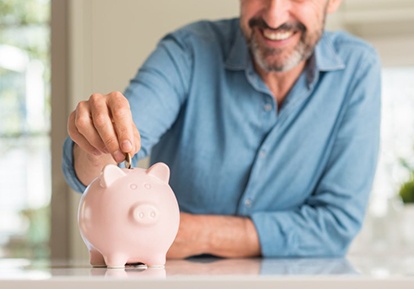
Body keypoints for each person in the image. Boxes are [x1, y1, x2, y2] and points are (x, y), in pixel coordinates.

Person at [62, 0, 381, 258]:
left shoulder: (357, 69)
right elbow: (105, 165)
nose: (273, 15)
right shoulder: (187, 51)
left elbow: (335, 226)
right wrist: (97, 143)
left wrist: (193, 233)